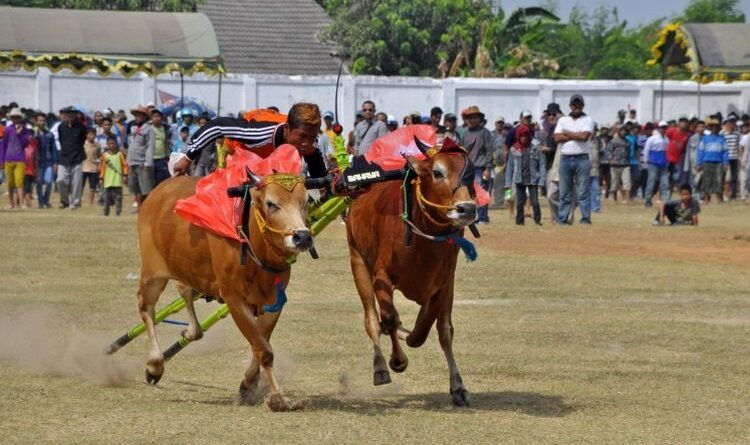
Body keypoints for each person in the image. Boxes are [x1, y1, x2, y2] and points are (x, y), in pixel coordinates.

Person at [173, 102, 327, 181]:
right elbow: (217, 126)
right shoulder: (259, 134)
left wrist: (326, 186)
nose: (307, 143)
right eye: (302, 136)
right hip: (238, 151)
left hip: (269, 156)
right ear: (287, 129)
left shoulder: (308, 141)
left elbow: (319, 173)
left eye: (312, 137)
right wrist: (187, 158)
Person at [554, 94, 595, 225]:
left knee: (583, 191)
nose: (576, 106)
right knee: (564, 192)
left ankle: (585, 219)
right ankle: (563, 219)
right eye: (574, 104)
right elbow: (556, 138)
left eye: (579, 104)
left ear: (583, 105)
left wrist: (567, 133)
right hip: (565, 158)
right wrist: (575, 135)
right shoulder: (563, 120)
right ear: (570, 106)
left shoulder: (588, 119)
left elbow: (584, 137)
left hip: (582, 158)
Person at [459, 105, 494, 224]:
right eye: (470, 118)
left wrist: (488, 168)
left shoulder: (485, 132)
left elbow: (489, 151)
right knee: (468, 193)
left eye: (475, 117)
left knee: (482, 192)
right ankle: (472, 217)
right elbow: (461, 151)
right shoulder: (464, 133)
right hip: (467, 168)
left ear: (479, 119)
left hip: (480, 167)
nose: (472, 120)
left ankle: (482, 218)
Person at [505, 124, 545, 225]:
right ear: (518, 136)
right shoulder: (514, 149)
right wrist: (508, 183)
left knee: (535, 202)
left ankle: (538, 220)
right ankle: (519, 221)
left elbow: (542, 164)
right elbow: (510, 167)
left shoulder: (536, 146)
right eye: (522, 136)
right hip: (519, 178)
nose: (524, 138)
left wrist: (542, 180)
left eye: (526, 135)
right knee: (519, 202)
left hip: (533, 178)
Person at [1, 108, 31, 209]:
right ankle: (11, 203)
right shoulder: (8, 129)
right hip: (8, 159)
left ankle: (21, 203)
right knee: (9, 182)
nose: (16, 119)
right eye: (14, 117)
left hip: (20, 159)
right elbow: (4, 145)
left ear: (20, 118)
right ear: (12, 118)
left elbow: (25, 144)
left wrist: (19, 134)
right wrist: (1, 160)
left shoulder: (25, 130)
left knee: (19, 182)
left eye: (17, 117)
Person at [127, 105, 155, 211]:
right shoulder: (134, 128)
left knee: (146, 189)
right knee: (136, 188)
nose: (136, 117)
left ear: (144, 116)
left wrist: (148, 162)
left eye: (139, 115)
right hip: (132, 161)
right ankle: (139, 208)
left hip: (143, 163)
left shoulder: (149, 129)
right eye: (135, 115)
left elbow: (150, 147)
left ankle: (148, 209)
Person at [696, 117, 728, 204]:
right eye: (713, 127)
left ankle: (719, 198)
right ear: (710, 128)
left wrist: (725, 163)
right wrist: (699, 163)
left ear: (718, 128)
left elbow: (725, 152)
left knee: (719, 180)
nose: (715, 128)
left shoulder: (722, 139)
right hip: (707, 162)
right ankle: (707, 199)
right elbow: (701, 151)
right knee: (707, 181)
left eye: (716, 127)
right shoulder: (705, 139)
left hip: (718, 163)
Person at [99, 136, 128, 217]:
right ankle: (106, 213)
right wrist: (101, 177)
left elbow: (124, 165)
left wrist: (125, 175)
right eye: (110, 144)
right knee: (106, 199)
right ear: (107, 144)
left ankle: (117, 213)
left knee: (118, 198)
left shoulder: (120, 154)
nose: (112, 145)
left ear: (116, 144)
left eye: (113, 143)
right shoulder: (105, 155)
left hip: (117, 180)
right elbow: (102, 167)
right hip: (107, 181)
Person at [643, 121, 670, 208]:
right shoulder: (652, 138)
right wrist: (646, 160)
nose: (663, 129)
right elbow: (646, 149)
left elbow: (667, 151)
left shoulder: (666, 139)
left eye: (665, 127)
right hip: (653, 163)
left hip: (663, 163)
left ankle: (667, 201)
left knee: (665, 183)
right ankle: (647, 200)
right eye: (662, 127)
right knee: (651, 182)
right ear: (658, 128)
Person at [34, 113, 57, 208]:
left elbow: (53, 149)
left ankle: (46, 200)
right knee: (39, 182)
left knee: (48, 182)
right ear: (36, 122)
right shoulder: (34, 134)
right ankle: (40, 202)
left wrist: (55, 162)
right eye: (40, 120)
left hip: (48, 162)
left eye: (44, 120)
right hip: (37, 162)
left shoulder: (50, 134)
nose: (42, 122)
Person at [608, 126, 631, 203]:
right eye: (622, 131)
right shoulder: (613, 141)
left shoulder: (627, 142)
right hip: (615, 165)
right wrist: (611, 160)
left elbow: (628, 152)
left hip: (625, 164)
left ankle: (627, 199)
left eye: (624, 131)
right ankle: (613, 199)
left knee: (627, 182)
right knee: (614, 182)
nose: (623, 132)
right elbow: (608, 151)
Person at [666, 116, 690, 189]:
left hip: (678, 159)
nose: (684, 124)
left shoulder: (687, 135)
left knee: (676, 176)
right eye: (682, 122)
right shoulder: (672, 131)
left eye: (685, 123)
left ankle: (672, 188)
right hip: (668, 157)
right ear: (679, 123)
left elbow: (685, 148)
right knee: (666, 175)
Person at [720, 116, 741, 200]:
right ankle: (722, 195)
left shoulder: (737, 134)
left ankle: (733, 196)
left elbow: (738, 146)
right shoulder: (722, 133)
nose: (732, 124)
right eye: (731, 122)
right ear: (728, 123)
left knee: (734, 177)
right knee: (723, 177)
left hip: (734, 158)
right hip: (725, 158)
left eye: (734, 122)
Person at [149, 108, 171, 187]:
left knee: (162, 180)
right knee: (151, 181)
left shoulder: (166, 128)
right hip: (150, 159)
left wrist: (168, 157)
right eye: (154, 116)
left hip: (162, 158)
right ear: (151, 118)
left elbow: (167, 143)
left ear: (161, 118)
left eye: (158, 116)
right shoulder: (148, 128)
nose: (156, 118)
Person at [683, 120, 705, 200]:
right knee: (694, 182)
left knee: (702, 181)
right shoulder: (692, 139)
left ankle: (702, 196)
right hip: (694, 164)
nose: (701, 129)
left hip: (703, 164)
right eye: (699, 127)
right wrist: (686, 167)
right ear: (696, 128)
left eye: (703, 127)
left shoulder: (706, 138)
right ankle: (694, 196)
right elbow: (688, 153)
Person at [82, 127, 101, 206]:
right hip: (83, 168)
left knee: (92, 187)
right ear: (87, 135)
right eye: (91, 134)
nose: (92, 136)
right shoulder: (83, 144)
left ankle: (91, 203)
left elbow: (99, 156)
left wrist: (98, 165)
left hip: (93, 168)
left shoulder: (97, 145)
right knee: (80, 186)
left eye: (94, 134)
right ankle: (78, 200)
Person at [22, 134, 37, 208]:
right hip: (24, 169)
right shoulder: (22, 144)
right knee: (26, 187)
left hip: (31, 169)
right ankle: (29, 203)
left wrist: (36, 169)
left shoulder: (34, 144)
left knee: (29, 186)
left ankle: (21, 201)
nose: (30, 136)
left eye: (31, 135)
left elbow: (35, 157)